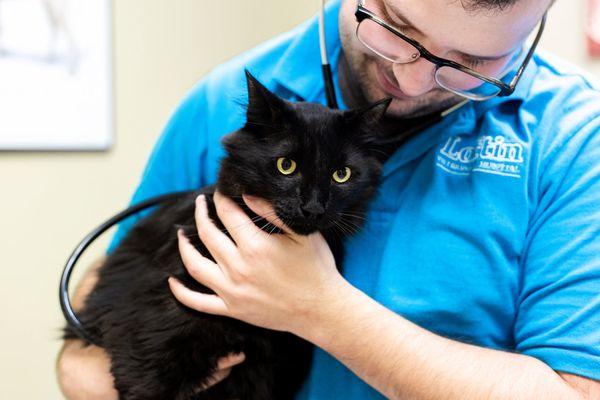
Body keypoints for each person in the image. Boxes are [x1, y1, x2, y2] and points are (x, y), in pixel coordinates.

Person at [56, 0, 600, 398]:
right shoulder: (224, 97)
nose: (410, 82)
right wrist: (89, 375)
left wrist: (322, 309)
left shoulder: (576, 140)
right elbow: (98, 314)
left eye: (471, 62)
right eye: (395, 28)